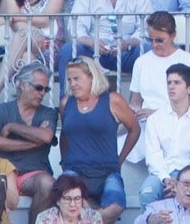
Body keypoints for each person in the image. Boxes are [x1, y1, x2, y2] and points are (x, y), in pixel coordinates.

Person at [57, 0, 153, 92]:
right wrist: (92, 42)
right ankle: (66, 105)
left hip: (126, 51)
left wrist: (127, 43)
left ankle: (146, 105)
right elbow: (76, 28)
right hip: (93, 54)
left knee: (147, 50)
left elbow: (145, 29)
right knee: (68, 50)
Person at [59, 56, 140, 224]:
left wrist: (120, 160)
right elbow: (64, 135)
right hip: (75, 170)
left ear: (92, 77)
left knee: (116, 206)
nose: (72, 84)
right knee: (69, 204)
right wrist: (64, 163)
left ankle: (87, 219)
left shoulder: (113, 100)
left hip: (107, 171)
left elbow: (134, 129)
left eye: (77, 79)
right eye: (69, 80)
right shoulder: (66, 103)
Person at [0, 63, 59, 224]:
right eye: (38, 87)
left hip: (33, 174)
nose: (42, 93)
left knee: (48, 184)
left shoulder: (48, 112)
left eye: (46, 89)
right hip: (4, 173)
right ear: (21, 83)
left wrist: (12, 127)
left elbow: (46, 137)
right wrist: (34, 142)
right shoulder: (1, 110)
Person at [137, 64, 190, 207]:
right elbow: (153, 156)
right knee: (147, 192)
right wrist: (166, 179)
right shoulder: (155, 119)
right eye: (169, 82)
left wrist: (183, 182)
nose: (171, 86)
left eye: (177, 83)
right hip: (161, 174)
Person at [126, 12, 190, 123]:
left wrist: (156, 114)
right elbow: (135, 102)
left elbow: (188, 100)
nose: (154, 45)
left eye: (160, 40)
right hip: (147, 123)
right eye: (151, 40)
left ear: (173, 36)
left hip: (181, 122)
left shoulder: (188, 59)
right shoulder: (140, 62)